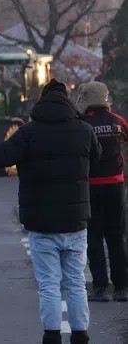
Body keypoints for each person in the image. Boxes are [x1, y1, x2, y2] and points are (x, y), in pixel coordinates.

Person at [0, 78, 100, 344]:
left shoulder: (28, 133)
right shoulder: (83, 130)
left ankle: (52, 336)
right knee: (76, 282)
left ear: (41, 102)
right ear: (68, 102)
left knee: (49, 284)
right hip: (75, 222)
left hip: (41, 224)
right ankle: (80, 335)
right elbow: (98, 158)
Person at [75, 81, 128, 303]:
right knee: (116, 237)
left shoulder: (82, 124)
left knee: (94, 237)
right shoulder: (118, 121)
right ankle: (122, 288)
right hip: (116, 186)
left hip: (91, 187)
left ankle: (99, 288)